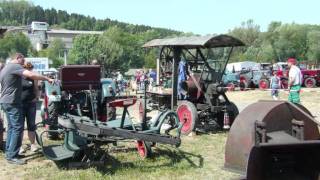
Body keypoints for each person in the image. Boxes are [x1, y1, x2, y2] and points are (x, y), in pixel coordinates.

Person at [0, 53, 54, 165]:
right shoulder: (15, 66)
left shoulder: (5, 68)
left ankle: (10, 152)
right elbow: (31, 74)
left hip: (6, 101)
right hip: (12, 102)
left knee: (11, 127)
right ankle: (12, 156)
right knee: (17, 128)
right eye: (22, 60)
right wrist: (46, 78)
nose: (23, 63)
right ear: (18, 58)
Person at [19, 62, 40, 154]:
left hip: (31, 103)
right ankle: (19, 146)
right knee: (19, 126)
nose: (30, 71)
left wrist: (36, 97)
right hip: (20, 104)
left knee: (31, 125)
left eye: (31, 69)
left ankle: (32, 144)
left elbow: (36, 88)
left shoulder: (33, 77)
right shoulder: (19, 77)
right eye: (29, 69)